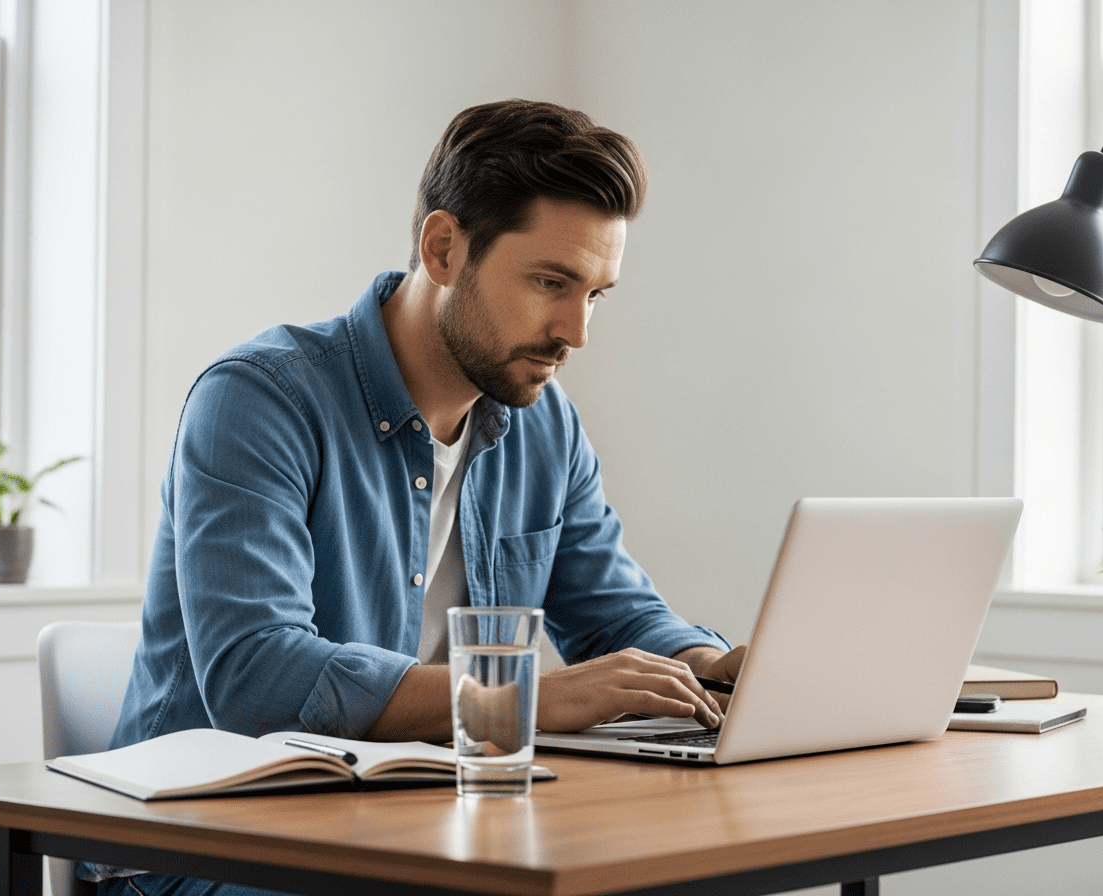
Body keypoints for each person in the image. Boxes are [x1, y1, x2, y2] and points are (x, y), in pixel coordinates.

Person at [93, 99, 745, 896]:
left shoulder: (544, 425)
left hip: (419, 831)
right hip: (212, 849)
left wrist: (713, 669)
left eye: (596, 294)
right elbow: (257, 675)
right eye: (550, 282)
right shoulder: (261, 400)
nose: (576, 332)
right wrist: (525, 698)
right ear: (444, 248)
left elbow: (614, 615)